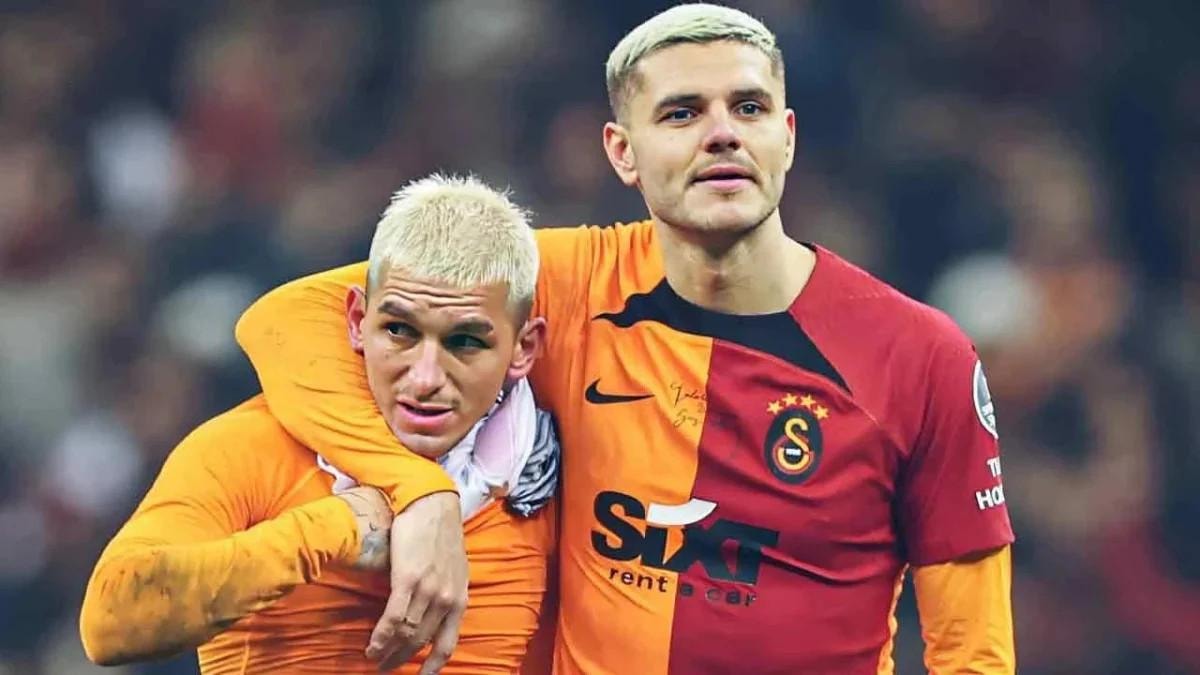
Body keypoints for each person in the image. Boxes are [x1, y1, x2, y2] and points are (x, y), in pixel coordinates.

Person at [235, 4, 1016, 673]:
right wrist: (421, 495)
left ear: (786, 137)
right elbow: (285, 318)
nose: (722, 134)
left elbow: (973, 650)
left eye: (748, 108)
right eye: (682, 114)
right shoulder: (565, 285)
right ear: (621, 152)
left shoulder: (919, 356)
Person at [79, 174, 560, 674]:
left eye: (464, 342)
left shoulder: (544, 476)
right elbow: (110, 620)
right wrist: (340, 527)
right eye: (399, 330)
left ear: (523, 348)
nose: (424, 378)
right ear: (356, 321)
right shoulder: (252, 445)